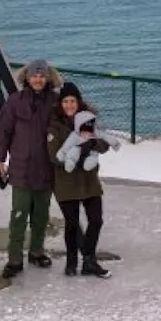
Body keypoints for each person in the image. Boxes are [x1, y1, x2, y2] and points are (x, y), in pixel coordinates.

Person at [0, 58, 62, 279]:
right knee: (19, 214)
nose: (38, 79)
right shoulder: (15, 101)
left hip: (47, 168)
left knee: (41, 215)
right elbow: (3, 131)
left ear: (47, 77)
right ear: (27, 78)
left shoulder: (56, 102)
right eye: (34, 75)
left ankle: (36, 251)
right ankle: (14, 259)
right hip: (21, 168)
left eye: (42, 75)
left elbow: (70, 126)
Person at [48, 81, 119, 278]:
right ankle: (72, 262)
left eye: (73, 101)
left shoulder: (88, 120)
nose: (69, 105)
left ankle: (89, 261)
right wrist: (77, 156)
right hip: (66, 181)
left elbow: (103, 145)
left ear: (78, 103)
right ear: (61, 104)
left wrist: (93, 144)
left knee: (96, 220)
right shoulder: (54, 126)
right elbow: (54, 155)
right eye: (66, 101)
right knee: (72, 224)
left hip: (89, 180)